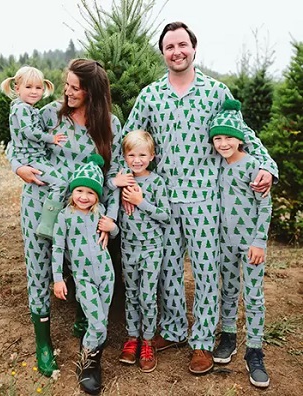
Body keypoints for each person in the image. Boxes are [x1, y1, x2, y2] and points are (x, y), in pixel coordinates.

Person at [122, 21, 278, 374]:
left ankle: (203, 343)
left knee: (207, 271)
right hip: (162, 199)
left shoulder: (216, 91)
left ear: (193, 48)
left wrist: (267, 167)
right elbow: (130, 139)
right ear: (162, 54)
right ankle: (175, 330)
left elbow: (244, 134)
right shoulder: (151, 95)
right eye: (169, 47)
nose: (176, 51)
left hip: (205, 199)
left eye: (182, 45)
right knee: (168, 271)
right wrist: (121, 180)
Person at [6, 59, 122, 380]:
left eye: (74, 88)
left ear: (92, 92)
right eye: (66, 84)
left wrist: (109, 219)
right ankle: (43, 342)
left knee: (86, 265)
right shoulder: (49, 114)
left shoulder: (109, 124)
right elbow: (16, 144)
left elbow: (115, 174)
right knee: (40, 266)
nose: (66, 92)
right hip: (41, 204)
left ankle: (86, 320)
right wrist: (18, 167)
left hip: (84, 214)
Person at [209, 99, 272, 388]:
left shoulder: (254, 167)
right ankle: (229, 337)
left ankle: (255, 351)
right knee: (229, 290)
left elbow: (265, 206)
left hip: (251, 245)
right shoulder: (216, 167)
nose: (223, 143)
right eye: (217, 138)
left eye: (229, 137)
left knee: (254, 295)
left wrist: (259, 241)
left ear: (241, 138)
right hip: (225, 243)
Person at [52, 154, 118, 394]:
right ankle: (87, 363)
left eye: (90, 192)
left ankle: (95, 353)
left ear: (97, 196)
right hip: (84, 278)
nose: (84, 196)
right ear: (72, 192)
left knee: (102, 318)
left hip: (106, 274)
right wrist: (58, 278)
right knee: (98, 324)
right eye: (79, 190)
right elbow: (58, 248)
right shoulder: (64, 217)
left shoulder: (99, 211)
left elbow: (114, 229)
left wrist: (113, 228)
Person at [113, 130, 171, 373]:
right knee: (132, 295)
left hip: (151, 249)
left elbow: (165, 216)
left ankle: (148, 341)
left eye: (142, 155)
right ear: (125, 156)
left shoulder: (156, 182)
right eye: (131, 155)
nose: (137, 160)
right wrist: (115, 182)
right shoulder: (124, 179)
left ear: (152, 156)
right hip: (128, 248)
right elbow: (107, 188)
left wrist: (140, 202)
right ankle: (132, 338)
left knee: (147, 296)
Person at [0, 66, 67, 239]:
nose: (34, 92)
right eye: (28, 87)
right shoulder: (22, 109)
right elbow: (28, 131)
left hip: (35, 156)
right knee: (60, 182)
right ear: (17, 88)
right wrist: (50, 138)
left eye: (38, 88)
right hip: (31, 158)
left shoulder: (28, 108)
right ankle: (47, 225)